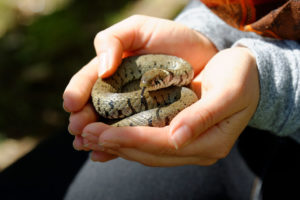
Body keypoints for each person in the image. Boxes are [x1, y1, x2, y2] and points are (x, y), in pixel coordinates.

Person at [62, 0, 300, 199]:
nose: (148, 88)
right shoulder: (173, 73)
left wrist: (266, 81)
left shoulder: (181, 81)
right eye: (146, 83)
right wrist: (203, 35)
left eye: (153, 84)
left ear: (167, 79)